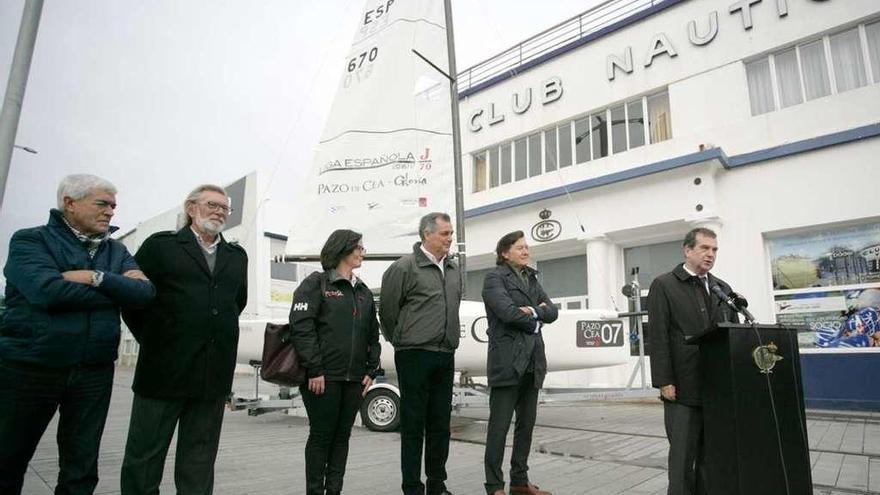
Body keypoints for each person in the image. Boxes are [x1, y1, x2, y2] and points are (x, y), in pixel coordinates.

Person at [0, 174, 155, 495]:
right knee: (8, 458)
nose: (111, 212)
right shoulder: (30, 241)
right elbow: (48, 292)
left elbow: (144, 294)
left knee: (81, 467)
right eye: (102, 203)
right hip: (30, 367)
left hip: (93, 371)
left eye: (113, 205)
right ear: (69, 203)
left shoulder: (116, 250)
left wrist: (94, 277)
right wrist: (117, 288)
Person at [120, 184, 248, 494]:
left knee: (199, 462)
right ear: (191, 209)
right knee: (145, 459)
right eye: (211, 205)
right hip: (163, 374)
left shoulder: (236, 256)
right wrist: (159, 341)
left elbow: (235, 303)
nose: (219, 211)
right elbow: (132, 301)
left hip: (211, 377)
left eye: (224, 207)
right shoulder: (160, 247)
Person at [647, 227, 739, 495]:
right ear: (687, 250)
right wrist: (664, 380)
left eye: (714, 250)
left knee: (711, 458)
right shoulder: (664, 285)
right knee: (683, 460)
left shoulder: (723, 288)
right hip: (682, 389)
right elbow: (659, 336)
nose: (710, 254)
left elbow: (731, 332)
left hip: (716, 388)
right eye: (705, 248)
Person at [289, 229, 381, 495]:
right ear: (343, 249)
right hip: (322, 378)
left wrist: (371, 370)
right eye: (359, 248)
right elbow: (301, 328)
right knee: (321, 436)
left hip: (354, 380)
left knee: (342, 437)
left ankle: (334, 491)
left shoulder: (362, 291)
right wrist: (314, 369)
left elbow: (372, 335)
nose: (363, 252)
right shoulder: (316, 284)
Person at [380, 212, 462, 495]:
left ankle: (437, 484)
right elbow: (387, 312)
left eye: (450, 233)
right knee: (414, 425)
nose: (450, 238)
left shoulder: (453, 269)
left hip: (444, 353)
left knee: (441, 425)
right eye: (444, 234)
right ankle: (412, 487)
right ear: (427, 235)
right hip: (414, 354)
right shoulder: (404, 267)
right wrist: (401, 340)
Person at [482, 231, 558, 495]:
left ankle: (519, 482)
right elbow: (507, 313)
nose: (526, 251)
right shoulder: (494, 278)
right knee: (499, 429)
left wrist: (535, 311)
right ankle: (494, 486)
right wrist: (536, 317)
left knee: (526, 427)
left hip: (533, 362)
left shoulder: (531, 277)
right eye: (519, 248)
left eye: (527, 247)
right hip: (507, 364)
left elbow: (554, 311)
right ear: (505, 253)